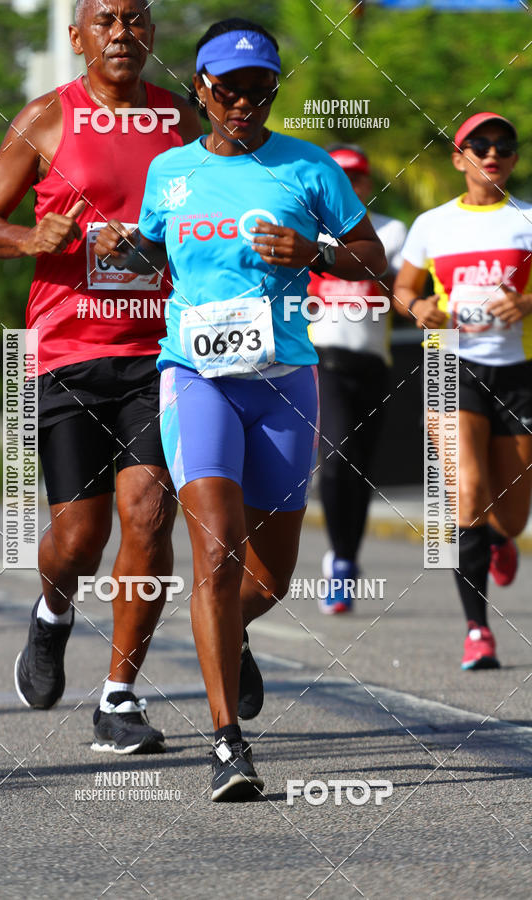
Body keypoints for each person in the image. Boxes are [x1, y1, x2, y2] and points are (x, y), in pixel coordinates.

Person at [96, 18, 386, 799]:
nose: (245, 104)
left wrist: (316, 253)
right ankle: (228, 744)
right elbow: (153, 247)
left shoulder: (309, 167)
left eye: (261, 90)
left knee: (270, 578)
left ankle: (231, 634)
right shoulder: (170, 171)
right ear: (201, 89)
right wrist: (126, 248)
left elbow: (373, 258)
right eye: (230, 90)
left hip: (284, 381)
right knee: (217, 558)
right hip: (196, 377)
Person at [0, 0, 203, 752]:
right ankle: (52, 612)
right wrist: (32, 237)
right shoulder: (46, 118)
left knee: (148, 514)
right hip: (68, 353)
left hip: (162, 352)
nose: (122, 32)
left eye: (135, 19)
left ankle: (119, 696)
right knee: (78, 538)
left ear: (151, 33)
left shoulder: (182, 118)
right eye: (106, 21)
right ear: (77, 37)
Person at [394, 112, 532, 670]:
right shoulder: (433, 224)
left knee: (513, 516)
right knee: (467, 495)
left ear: (514, 158)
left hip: (519, 370)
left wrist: (527, 302)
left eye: (503, 145)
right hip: (450, 363)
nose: (492, 153)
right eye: (480, 144)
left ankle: (500, 541)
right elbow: (403, 288)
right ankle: (478, 629)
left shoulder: (527, 219)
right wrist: (418, 307)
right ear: (459, 158)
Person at [307, 145, 406, 614]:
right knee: (336, 458)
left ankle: (345, 558)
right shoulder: (306, 231)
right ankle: (341, 559)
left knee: (360, 467)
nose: (349, 185)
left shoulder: (390, 231)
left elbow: (402, 292)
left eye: (357, 177)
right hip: (322, 358)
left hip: (373, 361)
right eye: (340, 177)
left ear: (366, 183)